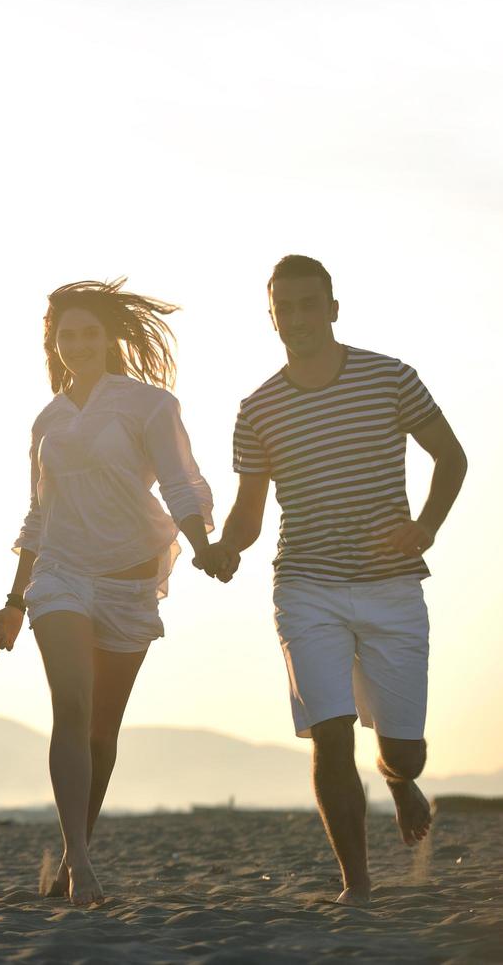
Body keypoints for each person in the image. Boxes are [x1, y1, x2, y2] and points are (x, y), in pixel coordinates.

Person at [197, 255, 467, 905]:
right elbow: (250, 513)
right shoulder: (257, 407)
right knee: (331, 733)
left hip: (391, 585)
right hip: (305, 587)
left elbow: (451, 457)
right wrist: (226, 548)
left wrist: (426, 526)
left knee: (406, 752)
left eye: (308, 305)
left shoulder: (390, 378)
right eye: (283, 308)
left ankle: (398, 779)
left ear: (333, 309)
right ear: (272, 318)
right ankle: (358, 884)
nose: (296, 318)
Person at [0, 279, 217, 906]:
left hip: (128, 580)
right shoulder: (48, 420)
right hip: (61, 572)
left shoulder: (149, 405)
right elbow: (38, 516)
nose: (79, 344)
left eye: (90, 333)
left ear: (110, 337)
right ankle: (83, 867)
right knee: (71, 705)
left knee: (101, 729)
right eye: (68, 335)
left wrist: (202, 546)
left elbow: (181, 482)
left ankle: (72, 854)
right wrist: (15, 601)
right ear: (54, 343)